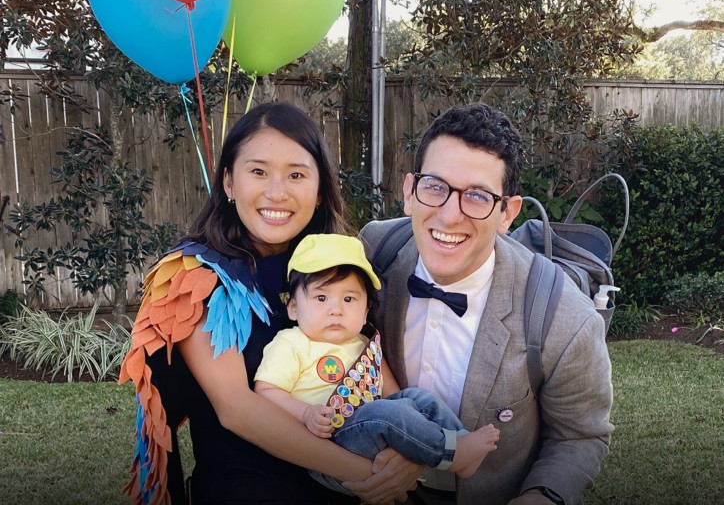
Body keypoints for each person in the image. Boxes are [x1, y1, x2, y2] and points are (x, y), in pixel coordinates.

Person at [119, 102, 420, 505]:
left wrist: (404, 452)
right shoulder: (198, 276)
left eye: (296, 174)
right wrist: (368, 477)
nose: (277, 192)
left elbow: (369, 354)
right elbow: (238, 409)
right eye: (258, 171)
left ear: (319, 191)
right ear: (228, 182)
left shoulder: (336, 263)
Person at [359, 102, 614, 505]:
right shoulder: (373, 253)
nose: (448, 215)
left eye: (477, 196)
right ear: (409, 191)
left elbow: (579, 436)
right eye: (434, 186)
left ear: (507, 213)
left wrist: (540, 497)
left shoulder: (563, 317)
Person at [254, 233, 500, 495]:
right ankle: (449, 453)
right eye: (321, 298)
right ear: (293, 307)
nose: (335, 310)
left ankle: (459, 440)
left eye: (349, 299)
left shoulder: (364, 343)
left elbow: (394, 396)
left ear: (365, 311)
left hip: (376, 431)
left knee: (416, 398)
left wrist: (404, 422)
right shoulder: (292, 343)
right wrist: (305, 413)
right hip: (333, 447)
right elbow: (266, 391)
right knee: (384, 412)